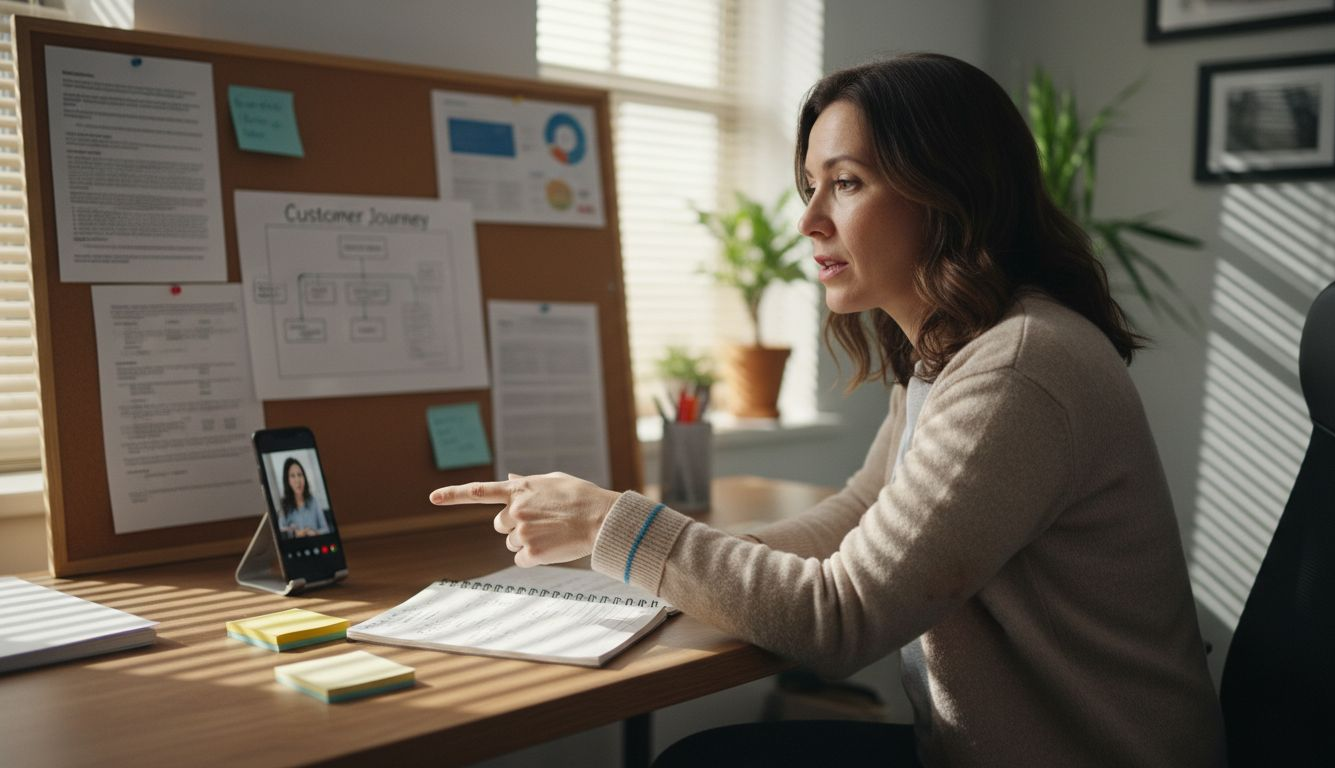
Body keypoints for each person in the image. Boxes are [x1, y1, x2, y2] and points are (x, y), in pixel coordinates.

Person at [430, 53, 1225, 767]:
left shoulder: (1018, 368)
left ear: (950, 192)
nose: (809, 220)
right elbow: (857, 516)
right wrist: (678, 567)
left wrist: (619, 526)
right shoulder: (950, 352)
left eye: (846, 183)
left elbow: (839, 619)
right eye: (810, 186)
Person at [279, 456, 328, 538]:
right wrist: (294, 533)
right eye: (292, 476)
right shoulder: (284, 505)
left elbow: (326, 529)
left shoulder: (314, 501)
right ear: (287, 481)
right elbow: (280, 530)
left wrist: (315, 533)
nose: (298, 480)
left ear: (304, 477)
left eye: (300, 475)